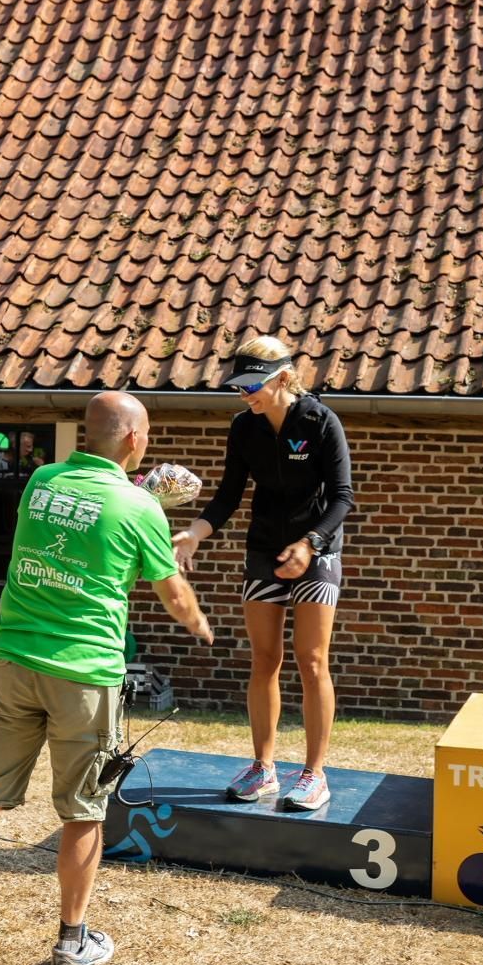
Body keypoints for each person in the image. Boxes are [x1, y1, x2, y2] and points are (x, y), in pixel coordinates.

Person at [0, 392, 213, 965]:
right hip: (84, 673)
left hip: (13, 658)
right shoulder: (141, 507)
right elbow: (172, 593)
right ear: (136, 440)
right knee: (84, 812)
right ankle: (70, 944)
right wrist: (201, 624)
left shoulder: (41, 481)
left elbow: (83, 526)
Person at [173, 336, 354, 812]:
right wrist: (194, 533)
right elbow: (228, 496)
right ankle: (264, 767)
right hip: (264, 550)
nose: (244, 395)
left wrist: (310, 543)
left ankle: (315, 774)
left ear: (283, 378)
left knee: (311, 661)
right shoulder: (244, 427)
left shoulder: (320, 421)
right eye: (239, 386)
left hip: (317, 550)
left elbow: (342, 497)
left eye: (252, 386)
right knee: (264, 659)